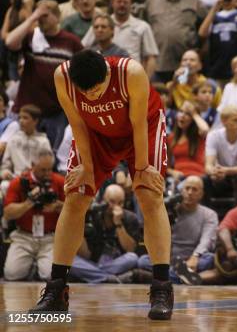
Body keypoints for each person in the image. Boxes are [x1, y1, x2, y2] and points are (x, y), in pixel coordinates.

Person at [29, 50, 174, 320]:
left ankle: (162, 287)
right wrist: (85, 165)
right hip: (95, 133)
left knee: (149, 195)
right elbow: (77, 124)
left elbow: (138, 123)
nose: (93, 96)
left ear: (107, 74)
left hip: (143, 128)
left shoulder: (130, 73)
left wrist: (142, 169)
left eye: (97, 90)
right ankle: (56, 290)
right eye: (87, 93)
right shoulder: (63, 76)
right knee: (75, 197)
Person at [6, 0, 83, 151]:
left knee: (49, 155)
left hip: (55, 111)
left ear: (57, 17)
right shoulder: (31, 37)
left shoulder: (70, 41)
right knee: (20, 153)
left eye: (45, 16)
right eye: (39, 16)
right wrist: (32, 17)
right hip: (27, 108)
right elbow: (10, 42)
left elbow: (82, 68)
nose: (41, 20)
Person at [138, 176, 218, 285]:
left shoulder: (209, 215)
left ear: (201, 194)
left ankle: (170, 277)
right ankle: (183, 277)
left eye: (194, 189)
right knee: (142, 261)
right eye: (187, 188)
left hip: (193, 258)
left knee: (210, 259)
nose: (190, 192)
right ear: (181, 191)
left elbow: (207, 240)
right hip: (170, 258)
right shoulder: (171, 210)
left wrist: (195, 256)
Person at [3, 149, 64, 281]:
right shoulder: (20, 182)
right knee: (11, 274)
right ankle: (32, 266)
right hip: (24, 236)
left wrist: (59, 206)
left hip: (49, 237)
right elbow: (7, 213)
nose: (48, 174)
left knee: (50, 275)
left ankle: (38, 268)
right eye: (43, 170)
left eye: (50, 169)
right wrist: (29, 202)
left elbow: (76, 209)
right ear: (32, 165)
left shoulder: (59, 181)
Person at [144, 0, 207, 83]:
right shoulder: (152, 1)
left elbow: (204, 31)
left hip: (186, 65)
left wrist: (199, 54)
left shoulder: (194, 1)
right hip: (158, 64)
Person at [69, 184, 141, 283]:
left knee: (132, 258)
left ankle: (95, 275)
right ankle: (110, 278)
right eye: (112, 202)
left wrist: (118, 223)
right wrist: (80, 221)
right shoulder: (93, 215)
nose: (116, 207)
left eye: (120, 203)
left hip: (117, 262)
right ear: (103, 200)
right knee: (70, 260)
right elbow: (85, 254)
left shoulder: (130, 217)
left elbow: (130, 249)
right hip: (93, 261)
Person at [204, 105, 237, 209]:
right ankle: (207, 213)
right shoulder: (213, 136)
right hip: (224, 175)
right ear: (224, 121)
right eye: (235, 120)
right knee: (205, 179)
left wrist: (224, 170)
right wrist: (214, 172)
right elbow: (208, 166)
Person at [0, 105, 52, 181]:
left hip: (37, 180)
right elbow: (6, 165)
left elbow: (47, 166)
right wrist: (5, 172)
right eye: (20, 118)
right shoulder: (13, 140)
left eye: (25, 118)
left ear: (35, 121)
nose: (21, 120)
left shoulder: (43, 141)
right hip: (15, 180)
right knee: (4, 186)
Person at [167, 100, 208, 180]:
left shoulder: (199, 135)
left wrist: (194, 113)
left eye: (187, 114)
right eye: (181, 111)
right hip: (179, 178)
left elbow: (205, 129)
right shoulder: (171, 138)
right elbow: (166, 166)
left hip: (198, 177)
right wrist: (173, 172)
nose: (182, 116)